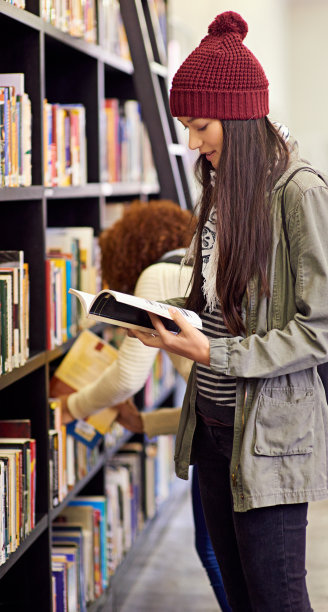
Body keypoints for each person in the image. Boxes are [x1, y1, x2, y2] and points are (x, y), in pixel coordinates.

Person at [128, 11, 328, 612]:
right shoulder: (221, 185)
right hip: (213, 428)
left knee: (277, 601)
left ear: (242, 117)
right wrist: (162, 315)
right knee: (239, 599)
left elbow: (325, 327)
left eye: (201, 125)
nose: (193, 142)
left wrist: (215, 352)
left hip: (272, 436)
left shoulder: (302, 194)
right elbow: (220, 303)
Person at [59, 199, 231, 612]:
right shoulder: (192, 269)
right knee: (237, 557)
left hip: (225, 442)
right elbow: (211, 397)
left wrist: (72, 407)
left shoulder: (157, 276)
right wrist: (146, 424)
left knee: (217, 554)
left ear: (130, 252)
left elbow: (127, 378)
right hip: (233, 430)